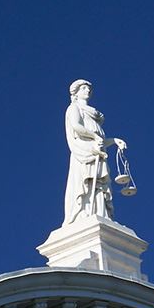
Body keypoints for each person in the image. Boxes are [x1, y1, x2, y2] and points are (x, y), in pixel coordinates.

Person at [62, 79, 112, 224]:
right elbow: (77, 126)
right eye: (84, 88)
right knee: (85, 182)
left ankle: (100, 212)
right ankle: (82, 213)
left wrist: (114, 141)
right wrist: (94, 136)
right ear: (76, 93)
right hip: (83, 152)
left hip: (97, 151)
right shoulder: (74, 108)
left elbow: (101, 141)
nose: (87, 90)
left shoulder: (93, 115)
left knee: (99, 185)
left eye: (89, 88)